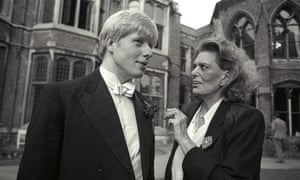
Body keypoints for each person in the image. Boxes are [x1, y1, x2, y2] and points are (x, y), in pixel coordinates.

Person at [17, 10, 158, 180]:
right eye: (139, 42)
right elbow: (35, 172)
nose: (149, 52)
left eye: (151, 45)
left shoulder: (144, 106)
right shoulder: (60, 97)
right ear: (111, 43)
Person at [164, 37, 265, 180]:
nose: (193, 72)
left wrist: (185, 140)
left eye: (203, 67)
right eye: (194, 66)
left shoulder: (246, 119)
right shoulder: (188, 110)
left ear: (226, 76)